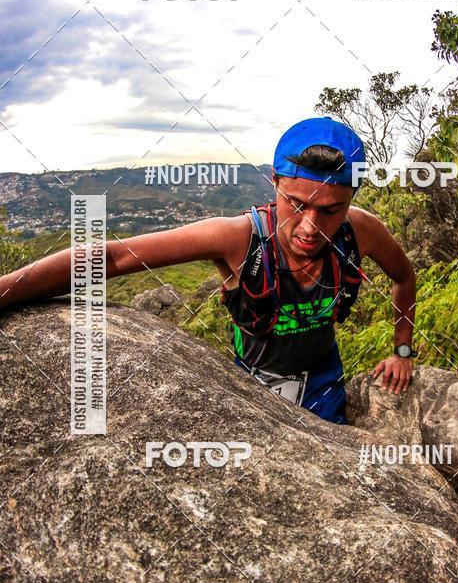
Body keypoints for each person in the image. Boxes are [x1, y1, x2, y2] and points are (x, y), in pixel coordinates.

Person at [0, 116, 417, 425]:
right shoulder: (239, 239)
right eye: (297, 204)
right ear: (275, 183)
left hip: (324, 382)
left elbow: (404, 277)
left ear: (351, 199)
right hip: (250, 386)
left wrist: (402, 351)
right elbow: (114, 257)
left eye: (331, 210)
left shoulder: (359, 231)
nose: (310, 227)